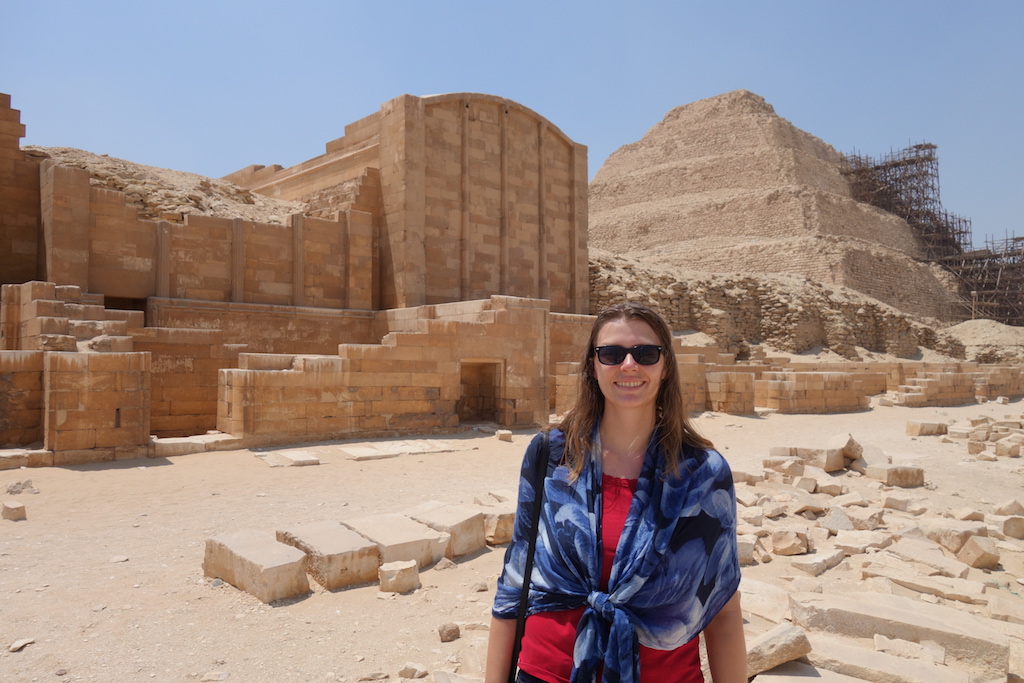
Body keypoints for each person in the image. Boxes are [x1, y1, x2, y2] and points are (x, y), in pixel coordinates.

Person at [485, 302, 746, 683]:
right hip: (548, 671)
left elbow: (722, 608)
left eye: (645, 353)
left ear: (666, 365)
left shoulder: (702, 475)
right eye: (611, 353)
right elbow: (514, 582)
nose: (628, 365)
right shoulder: (550, 456)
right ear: (593, 365)